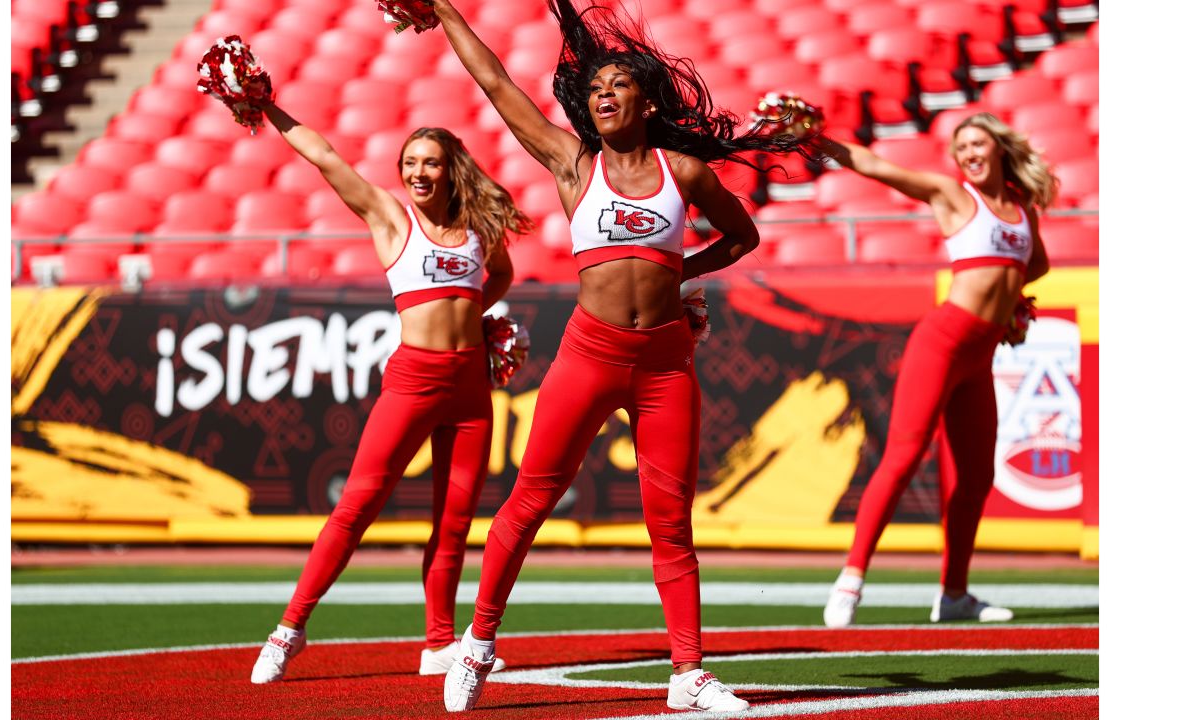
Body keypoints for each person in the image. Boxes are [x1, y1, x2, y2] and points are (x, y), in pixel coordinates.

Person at [428, 0, 807, 712]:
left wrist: (678, 274)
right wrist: (445, 10)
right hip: (591, 353)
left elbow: (743, 237)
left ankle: (689, 673)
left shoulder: (686, 173)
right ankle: (477, 644)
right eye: (595, 87)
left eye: (618, 85)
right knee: (530, 500)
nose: (602, 93)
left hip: (665, 364)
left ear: (645, 99)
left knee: (671, 521)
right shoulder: (574, 164)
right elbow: (497, 84)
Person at [249, 103, 533, 683]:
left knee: (454, 524)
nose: (419, 173)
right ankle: (289, 630)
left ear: (452, 169)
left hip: (471, 387)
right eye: (410, 163)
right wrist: (267, 106)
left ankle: (437, 645)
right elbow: (326, 156)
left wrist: (480, 313)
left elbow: (499, 274)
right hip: (414, 380)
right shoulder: (391, 217)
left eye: (431, 163)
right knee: (357, 506)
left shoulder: (479, 225)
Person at [818, 112, 1053, 628]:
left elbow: (1037, 265)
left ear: (998, 148)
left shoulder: (1020, 208)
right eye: (961, 145)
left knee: (976, 477)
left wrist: (1015, 304)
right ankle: (850, 580)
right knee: (902, 457)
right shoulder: (953, 195)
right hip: (942, 342)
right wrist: (819, 141)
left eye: (978, 143)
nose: (968, 153)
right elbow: (877, 167)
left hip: (981, 356)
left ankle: (954, 594)